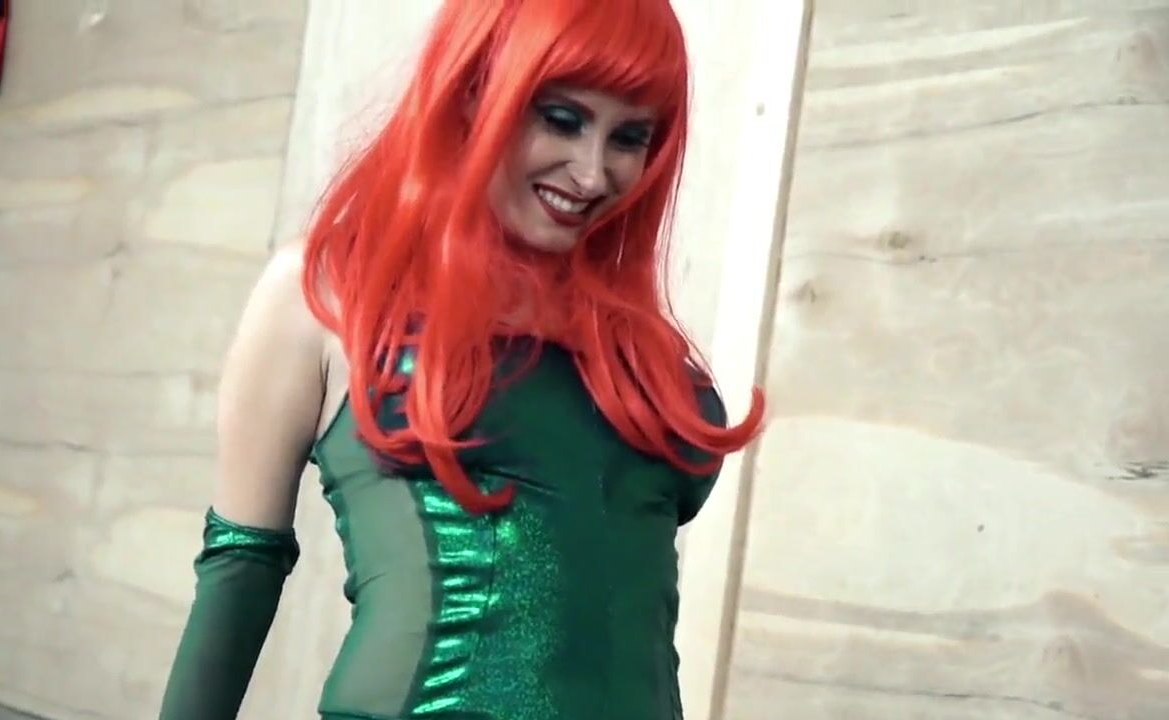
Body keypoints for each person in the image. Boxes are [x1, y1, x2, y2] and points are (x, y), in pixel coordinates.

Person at [157, 1, 765, 718]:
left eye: (629, 137)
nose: (593, 173)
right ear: (473, 90)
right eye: (561, 119)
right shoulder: (325, 292)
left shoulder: (638, 351)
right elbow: (241, 568)